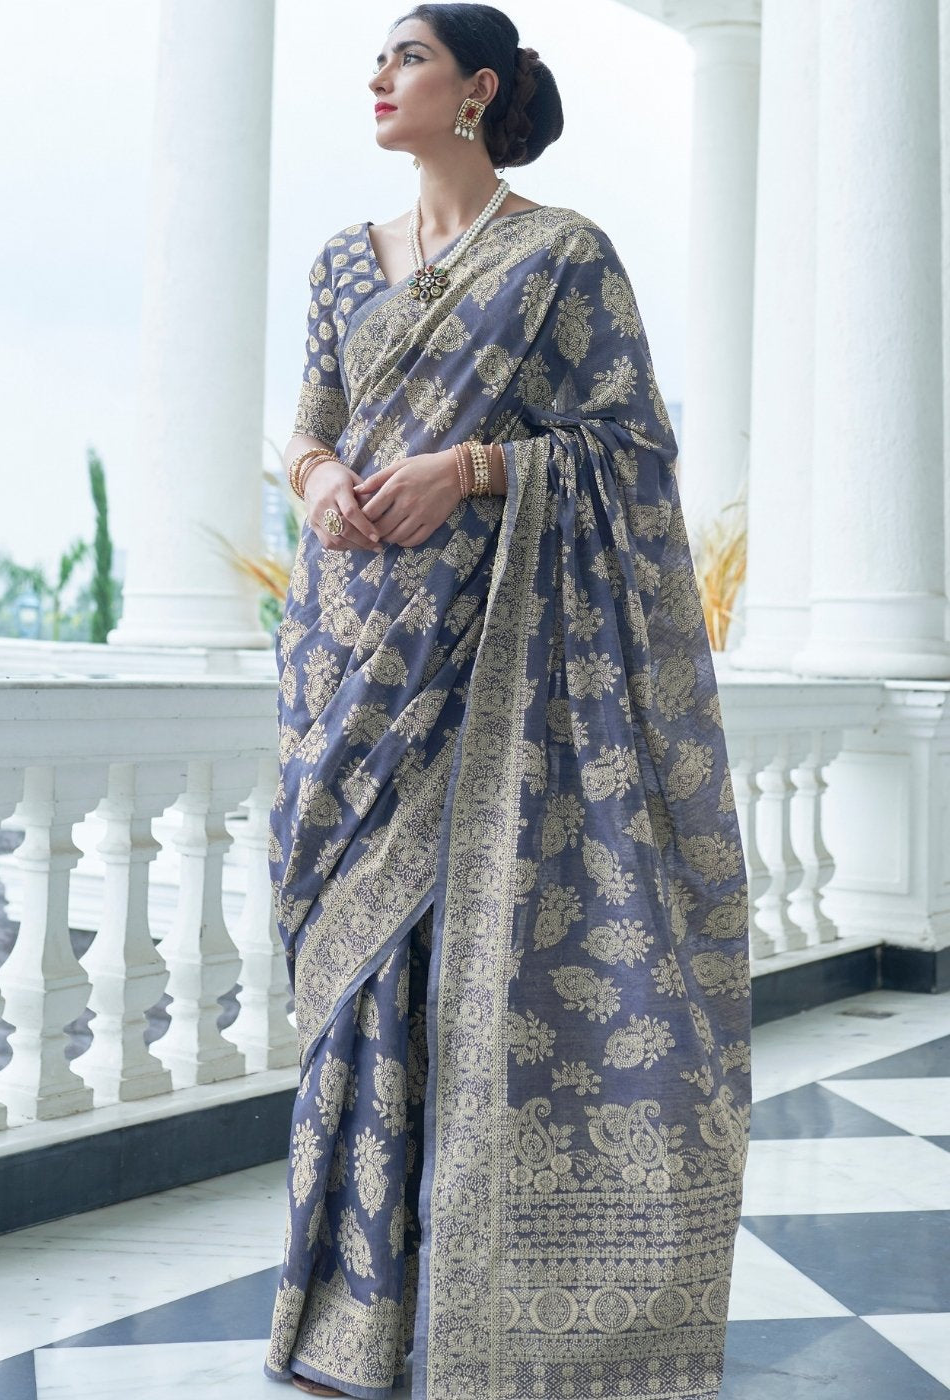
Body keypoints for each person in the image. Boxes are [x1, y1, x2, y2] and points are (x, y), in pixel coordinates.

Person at [263, 5, 751, 1397]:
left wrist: (472, 469)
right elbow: (308, 426)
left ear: (477, 89)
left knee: (470, 971)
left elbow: (634, 452)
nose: (377, 75)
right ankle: (352, 1315)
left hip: (496, 660)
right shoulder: (339, 265)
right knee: (358, 972)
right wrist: (320, 481)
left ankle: (508, 1314)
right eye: (378, 56)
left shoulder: (562, 256)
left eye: (406, 55)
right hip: (347, 660)